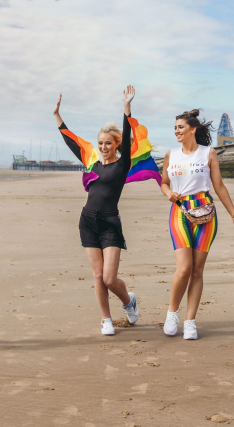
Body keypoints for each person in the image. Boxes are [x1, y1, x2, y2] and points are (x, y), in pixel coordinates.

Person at [53, 86, 161, 335]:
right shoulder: (91, 161)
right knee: (98, 276)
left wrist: (126, 109)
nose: (103, 147)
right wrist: (57, 116)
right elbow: (71, 141)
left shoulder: (123, 165)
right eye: (100, 143)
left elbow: (126, 131)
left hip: (111, 223)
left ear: (115, 145)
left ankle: (128, 301)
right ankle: (106, 320)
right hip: (87, 222)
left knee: (110, 279)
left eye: (108, 143)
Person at [160, 109, 234, 340]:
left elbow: (218, 186)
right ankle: (172, 313)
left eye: (180, 127)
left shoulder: (208, 153)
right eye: (175, 127)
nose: (176, 130)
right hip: (180, 211)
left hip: (206, 212)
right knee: (184, 268)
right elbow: (163, 182)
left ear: (193, 129)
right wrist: (168, 192)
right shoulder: (171, 155)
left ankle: (190, 321)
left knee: (197, 270)